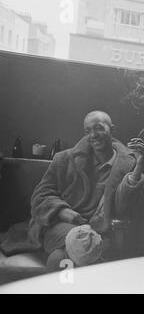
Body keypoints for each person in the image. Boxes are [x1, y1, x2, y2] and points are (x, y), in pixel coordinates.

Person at [0, 111, 136, 269]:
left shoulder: (126, 166)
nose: (93, 135)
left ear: (112, 129)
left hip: (99, 229)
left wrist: (138, 166)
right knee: (83, 246)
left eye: (99, 128)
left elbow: (126, 206)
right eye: (88, 130)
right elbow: (40, 196)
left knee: (65, 257)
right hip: (58, 224)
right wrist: (63, 211)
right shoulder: (64, 159)